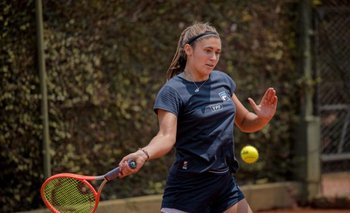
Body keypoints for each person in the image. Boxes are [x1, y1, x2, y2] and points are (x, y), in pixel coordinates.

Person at [118, 22, 278, 213]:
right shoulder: (172, 91)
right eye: (208, 50)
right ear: (189, 50)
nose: (213, 57)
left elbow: (245, 122)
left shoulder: (223, 81)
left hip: (224, 183)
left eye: (217, 52)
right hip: (189, 187)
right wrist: (143, 153)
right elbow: (166, 137)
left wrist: (263, 118)